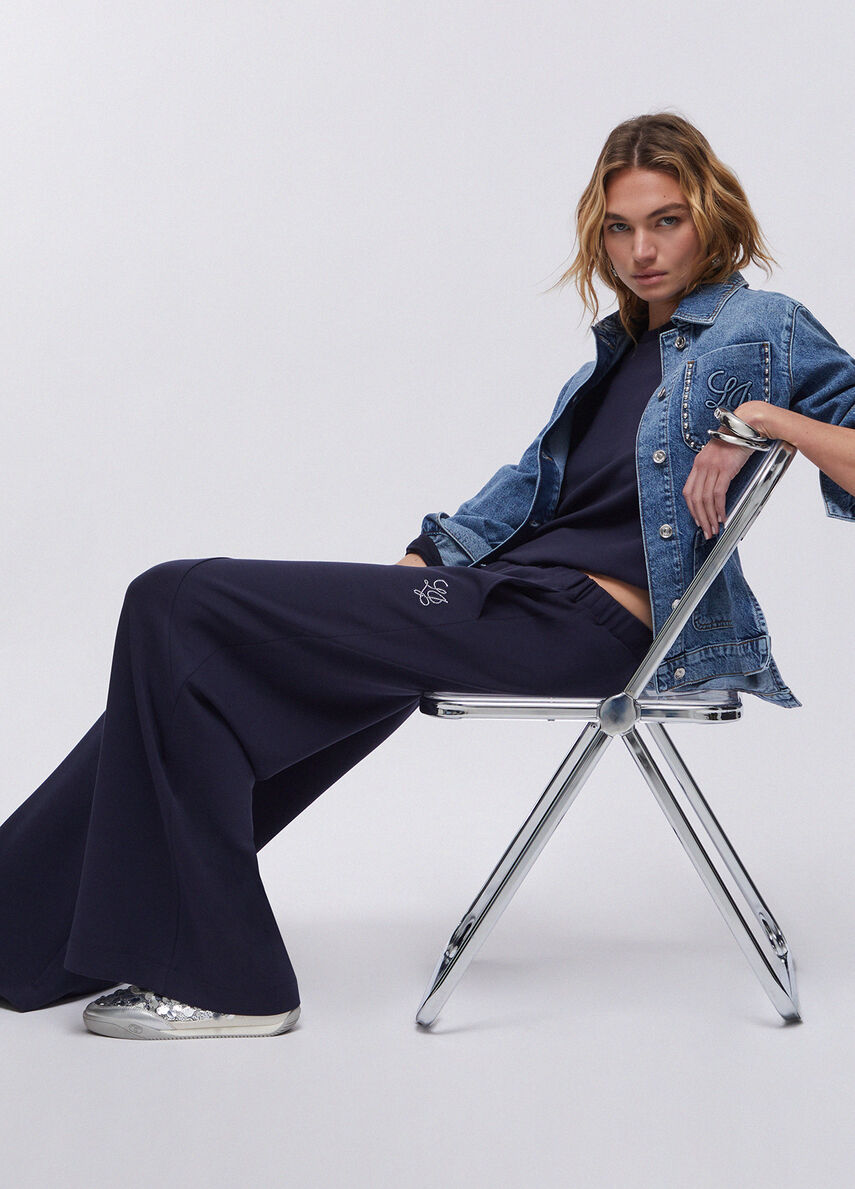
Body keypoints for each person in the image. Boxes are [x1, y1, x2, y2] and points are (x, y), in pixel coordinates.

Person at [2, 111, 854, 1041]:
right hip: (512, 599)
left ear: (709, 216)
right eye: (620, 227)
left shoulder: (759, 326)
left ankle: (232, 980)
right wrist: (419, 569)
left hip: (586, 629)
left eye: (666, 221)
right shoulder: (617, 355)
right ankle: (26, 932)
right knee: (200, 661)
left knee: (173, 597)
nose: (641, 251)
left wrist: (763, 421)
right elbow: (526, 492)